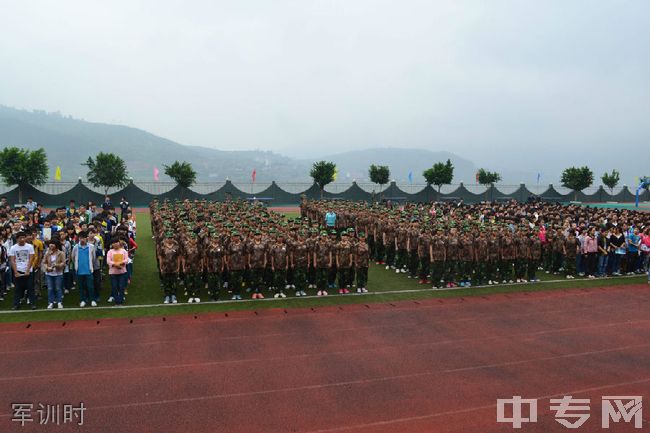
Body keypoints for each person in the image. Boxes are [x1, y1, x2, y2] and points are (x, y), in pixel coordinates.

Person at [9, 232, 35, 310]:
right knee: (17, 289)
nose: (22, 239)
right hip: (18, 270)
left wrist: (27, 270)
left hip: (28, 271)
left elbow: (31, 258)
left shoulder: (30, 246)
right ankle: (16, 304)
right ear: (17, 239)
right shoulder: (13, 248)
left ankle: (32, 303)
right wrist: (16, 272)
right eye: (20, 238)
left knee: (30, 288)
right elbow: (12, 260)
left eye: (23, 237)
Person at [71, 231, 97, 307]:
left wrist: (90, 266)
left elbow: (93, 257)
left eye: (84, 238)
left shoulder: (91, 247)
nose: (82, 240)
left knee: (90, 286)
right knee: (81, 287)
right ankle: (83, 300)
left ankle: (92, 300)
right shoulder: (76, 247)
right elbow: (73, 257)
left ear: (87, 238)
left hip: (88, 270)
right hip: (79, 271)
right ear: (78, 238)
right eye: (80, 238)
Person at [43, 239, 65, 309]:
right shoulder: (47, 253)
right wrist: (47, 268)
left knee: (58, 288)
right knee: (50, 288)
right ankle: (50, 302)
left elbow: (63, 263)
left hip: (58, 273)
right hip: (49, 274)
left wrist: (57, 265)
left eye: (53, 243)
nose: (51, 245)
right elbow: (44, 262)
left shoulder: (61, 253)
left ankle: (59, 302)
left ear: (57, 245)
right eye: (50, 243)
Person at [107, 238, 128, 305]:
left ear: (119, 243)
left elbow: (126, 259)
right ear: (112, 244)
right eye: (114, 243)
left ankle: (120, 300)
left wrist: (121, 263)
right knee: (114, 286)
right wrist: (116, 264)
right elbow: (108, 261)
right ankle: (117, 301)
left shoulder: (123, 251)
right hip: (113, 272)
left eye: (117, 242)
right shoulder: (110, 251)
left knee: (121, 286)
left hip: (122, 272)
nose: (115, 244)